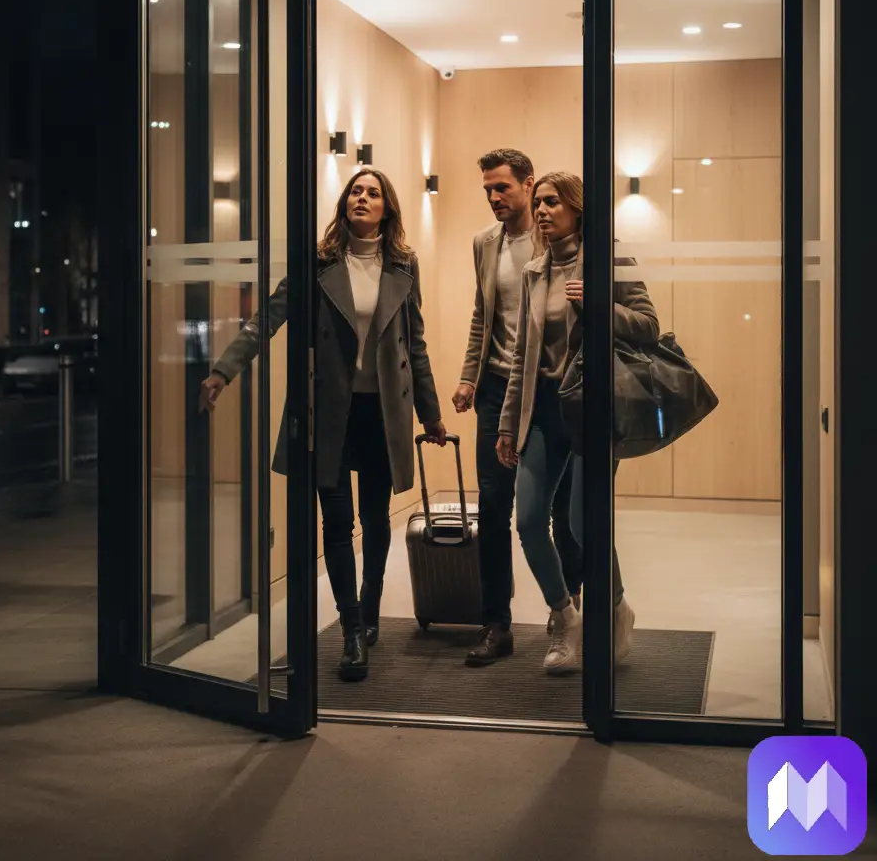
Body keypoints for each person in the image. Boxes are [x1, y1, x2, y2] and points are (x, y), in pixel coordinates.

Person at [200, 167, 447, 683]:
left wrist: (431, 413)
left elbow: (414, 342)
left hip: (382, 414)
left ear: (387, 208)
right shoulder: (317, 263)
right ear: (344, 203)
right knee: (336, 523)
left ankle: (371, 606)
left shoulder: (403, 265)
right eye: (356, 191)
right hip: (328, 413)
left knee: (376, 519)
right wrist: (224, 370)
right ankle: (351, 629)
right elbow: (266, 319)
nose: (363, 198)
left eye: (373, 193)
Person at [497, 171, 657, 673]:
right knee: (528, 521)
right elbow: (523, 356)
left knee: (584, 523)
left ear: (576, 208)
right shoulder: (535, 270)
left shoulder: (609, 258)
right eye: (539, 203)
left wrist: (598, 304)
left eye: (553, 202)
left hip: (591, 407)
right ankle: (565, 616)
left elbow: (649, 326)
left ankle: (616, 608)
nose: (542, 211)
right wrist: (508, 423)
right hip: (544, 409)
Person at [452, 148, 584, 668]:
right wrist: (469, 376)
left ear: (528, 185)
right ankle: (496, 624)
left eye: (502, 187)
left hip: (550, 391)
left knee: (561, 512)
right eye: (487, 189)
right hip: (497, 387)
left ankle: (565, 610)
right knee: (493, 506)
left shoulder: (553, 240)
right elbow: (481, 316)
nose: (493, 197)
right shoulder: (485, 243)